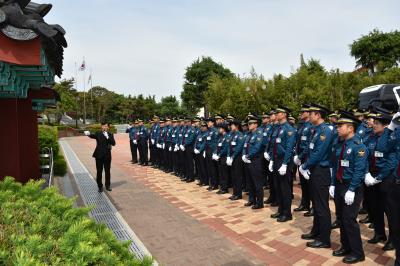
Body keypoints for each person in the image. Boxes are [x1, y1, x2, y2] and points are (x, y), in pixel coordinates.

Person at [330, 111, 367, 264]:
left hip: (351, 187)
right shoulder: (340, 144)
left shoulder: (359, 146)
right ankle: (346, 246)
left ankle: (358, 252)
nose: (337, 128)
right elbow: (335, 165)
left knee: (349, 219)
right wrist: (332, 183)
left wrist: (352, 189)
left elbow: (359, 170)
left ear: (350, 128)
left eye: (340, 126)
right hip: (339, 185)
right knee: (341, 218)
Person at [299, 103, 333, 249]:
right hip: (313, 169)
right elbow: (309, 148)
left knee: (321, 206)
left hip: (320, 171)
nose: (309, 115)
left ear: (318, 115)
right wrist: (301, 158)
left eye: (312, 113)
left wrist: (305, 166)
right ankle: (316, 231)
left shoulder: (325, 131)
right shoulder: (315, 130)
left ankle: (324, 239)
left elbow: (319, 153)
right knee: (316, 204)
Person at [364, 109, 396, 252]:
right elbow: (364, 155)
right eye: (374, 122)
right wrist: (367, 174)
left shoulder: (390, 138)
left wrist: (379, 178)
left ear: (385, 126)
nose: (373, 125)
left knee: (390, 211)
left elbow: (392, 161)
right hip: (372, 176)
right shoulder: (370, 137)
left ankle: (393, 240)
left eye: (377, 123)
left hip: (386, 178)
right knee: (375, 207)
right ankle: (379, 233)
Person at [268, 106, 296, 222]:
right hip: (276, 159)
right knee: (278, 186)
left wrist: (285, 163)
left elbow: (289, 148)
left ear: (284, 114)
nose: (277, 114)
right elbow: (274, 145)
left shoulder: (289, 129)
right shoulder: (277, 128)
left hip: (284, 160)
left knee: (285, 188)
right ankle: (280, 210)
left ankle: (287, 213)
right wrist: (272, 160)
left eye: (279, 113)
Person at [84, 122, 116, 192]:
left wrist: (107, 137)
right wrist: (88, 134)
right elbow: (92, 136)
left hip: (107, 155)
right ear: (101, 126)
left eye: (106, 126)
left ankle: (107, 186)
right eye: (104, 126)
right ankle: (100, 186)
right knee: (99, 171)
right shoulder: (98, 133)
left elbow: (113, 143)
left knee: (107, 171)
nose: (105, 127)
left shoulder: (110, 134)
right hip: (99, 155)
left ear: (108, 127)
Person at [242, 114, 264, 209]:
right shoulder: (248, 135)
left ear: (256, 124)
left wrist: (247, 156)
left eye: (251, 123)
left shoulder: (259, 134)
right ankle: (251, 200)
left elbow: (257, 148)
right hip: (248, 160)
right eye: (248, 123)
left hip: (255, 161)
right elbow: (245, 146)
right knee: (250, 182)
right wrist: (244, 155)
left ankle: (259, 202)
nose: (249, 125)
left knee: (257, 182)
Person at [293, 104, 312, 214]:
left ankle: (312, 206)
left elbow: (308, 145)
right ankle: (305, 204)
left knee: (310, 184)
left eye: (303, 112)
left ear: (308, 113)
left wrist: (300, 156)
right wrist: (296, 155)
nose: (301, 114)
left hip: (307, 159)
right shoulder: (303, 126)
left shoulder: (310, 126)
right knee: (304, 184)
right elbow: (298, 143)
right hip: (300, 158)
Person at [227, 119, 245, 200]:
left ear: (237, 126)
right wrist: (228, 156)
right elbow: (229, 146)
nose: (231, 126)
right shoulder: (231, 135)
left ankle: (238, 194)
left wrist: (232, 156)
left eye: (232, 125)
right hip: (231, 157)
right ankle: (234, 193)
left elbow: (238, 148)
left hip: (237, 158)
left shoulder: (240, 135)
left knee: (238, 176)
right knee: (233, 176)